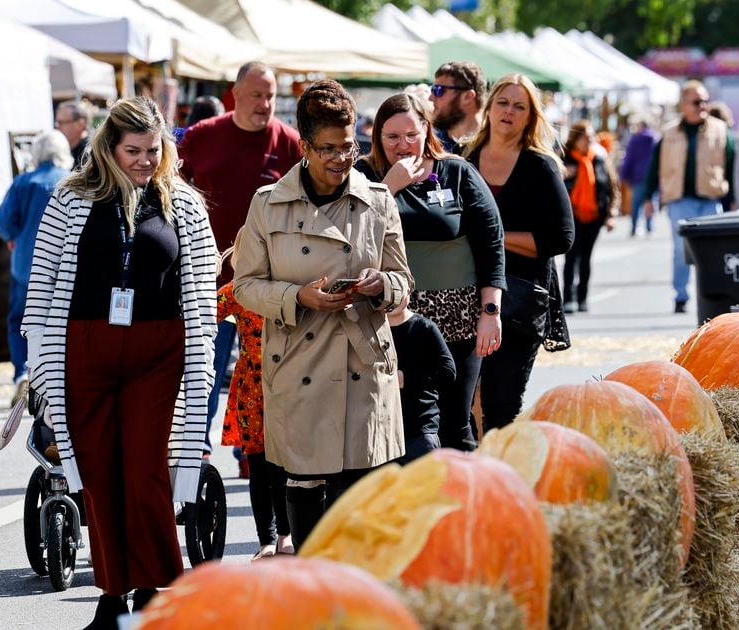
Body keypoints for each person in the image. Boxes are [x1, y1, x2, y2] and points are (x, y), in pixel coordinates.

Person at [23, 96, 217, 627]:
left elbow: (200, 292)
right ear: (108, 147)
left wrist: (203, 367)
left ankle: (157, 593)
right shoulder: (69, 199)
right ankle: (111, 597)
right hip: (84, 347)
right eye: (133, 150)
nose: (144, 160)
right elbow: (41, 285)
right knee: (98, 475)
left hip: (159, 349)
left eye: (153, 150)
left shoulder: (184, 204)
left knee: (147, 470)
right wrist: (37, 359)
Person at [233, 79, 412, 548]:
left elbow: (403, 283)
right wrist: (297, 298)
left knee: (359, 494)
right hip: (298, 360)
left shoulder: (377, 201)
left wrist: (379, 285)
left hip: (362, 364)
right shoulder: (267, 205)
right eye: (328, 148)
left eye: (348, 146)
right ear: (304, 145)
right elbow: (244, 286)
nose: (340, 158)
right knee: (306, 485)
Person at [354, 92, 505, 452]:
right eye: (392, 137)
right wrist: (388, 187)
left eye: (411, 135)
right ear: (377, 137)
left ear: (427, 130)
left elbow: (491, 243)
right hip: (390, 319)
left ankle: (461, 501)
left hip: (456, 319)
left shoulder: (455, 171)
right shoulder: (364, 176)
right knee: (396, 421)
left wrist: (491, 312)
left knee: (455, 420)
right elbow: (350, 234)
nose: (403, 145)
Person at [179, 61, 303, 453]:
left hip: (268, 284)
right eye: (256, 95)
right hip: (210, 280)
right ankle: (195, 450)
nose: (265, 104)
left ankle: (253, 451)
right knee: (205, 370)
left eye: (270, 96)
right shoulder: (202, 136)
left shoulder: (288, 142)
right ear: (235, 95)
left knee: (263, 370)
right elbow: (171, 188)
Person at [463, 73, 574, 435]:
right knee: (461, 406)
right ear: (489, 108)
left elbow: (560, 238)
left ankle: (506, 485)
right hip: (461, 295)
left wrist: (494, 236)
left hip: (518, 302)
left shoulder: (540, 167)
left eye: (519, 106)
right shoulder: (463, 159)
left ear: (530, 117)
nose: (509, 112)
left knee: (501, 405)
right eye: (503, 103)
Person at [215, 259, 291, 560]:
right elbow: (204, 313)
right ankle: (272, 540)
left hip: (278, 383)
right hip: (257, 386)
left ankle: (280, 538)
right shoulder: (238, 290)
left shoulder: (271, 288)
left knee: (276, 468)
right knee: (263, 468)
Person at [641, 80, 735, 313]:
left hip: (711, 199)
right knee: (681, 251)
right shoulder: (669, 132)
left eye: (705, 100)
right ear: (683, 104)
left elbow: (732, 165)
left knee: (712, 252)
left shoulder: (720, 130)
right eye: (696, 101)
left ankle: (712, 295)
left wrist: (733, 199)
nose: (702, 105)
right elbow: (654, 166)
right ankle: (681, 295)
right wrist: (647, 198)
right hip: (679, 199)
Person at [0, 130, 71, 406]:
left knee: (21, 323)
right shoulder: (74, 182)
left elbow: (4, 223)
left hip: (27, 265)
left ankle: (22, 373)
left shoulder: (23, 182)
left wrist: (12, 237)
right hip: (68, 268)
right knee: (62, 324)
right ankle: (57, 377)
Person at [387, 292, 456, 464]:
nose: (393, 298)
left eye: (398, 290)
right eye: (385, 292)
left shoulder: (425, 328)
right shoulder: (370, 331)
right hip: (382, 435)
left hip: (419, 432)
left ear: (409, 291)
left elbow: (448, 371)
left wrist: (405, 378)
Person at [561, 121, 618, 313]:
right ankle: (568, 297)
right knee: (571, 257)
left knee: (586, 258)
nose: (590, 140)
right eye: (586, 136)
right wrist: (563, 174)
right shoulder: (563, 160)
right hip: (571, 217)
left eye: (592, 136)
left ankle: (583, 296)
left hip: (594, 216)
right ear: (575, 139)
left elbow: (611, 186)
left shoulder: (599, 160)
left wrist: (611, 213)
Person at [430, 61, 487, 155]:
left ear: (468, 96)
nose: (431, 97)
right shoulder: (430, 143)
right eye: (432, 89)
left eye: (439, 90)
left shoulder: (493, 144)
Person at [618, 114, 658, 237]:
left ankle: (634, 227)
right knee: (651, 200)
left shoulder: (635, 139)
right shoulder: (656, 139)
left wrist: (623, 175)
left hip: (638, 176)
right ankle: (649, 225)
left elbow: (629, 158)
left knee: (636, 203)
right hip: (653, 176)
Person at [55, 100, 93, 168]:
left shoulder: (90, 154)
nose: (57, 127)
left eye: (61, 122)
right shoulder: (63, 151)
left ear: (80, 124)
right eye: (57, 123)